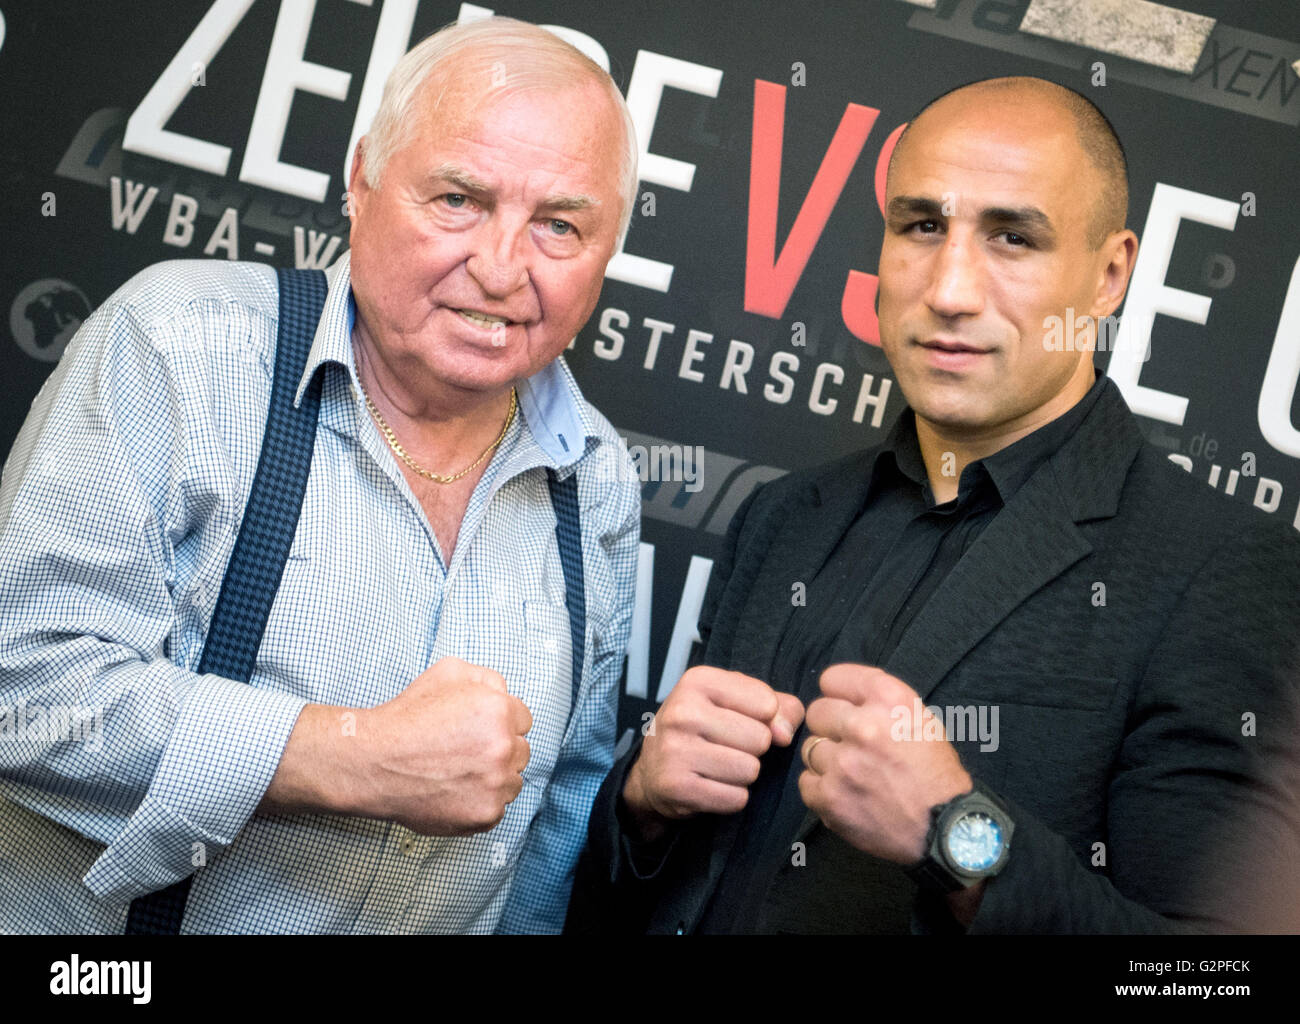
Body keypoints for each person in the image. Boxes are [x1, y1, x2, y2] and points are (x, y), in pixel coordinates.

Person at [566, 76, 1300, 934]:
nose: (950, 289)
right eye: (921, 226)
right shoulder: (784, 518)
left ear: (1109, 276)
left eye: (1013, 238)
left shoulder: (1220, 572)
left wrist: (958, 836)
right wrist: (643, 805)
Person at [0, 16, 641, 934]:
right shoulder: (181, 342)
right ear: (361, 179)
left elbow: (556, 820)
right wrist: (348, 756)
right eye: (458, 198)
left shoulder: (599, 475)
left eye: (560, 225)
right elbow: (21, 685)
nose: (502, 269)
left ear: (607, 251)